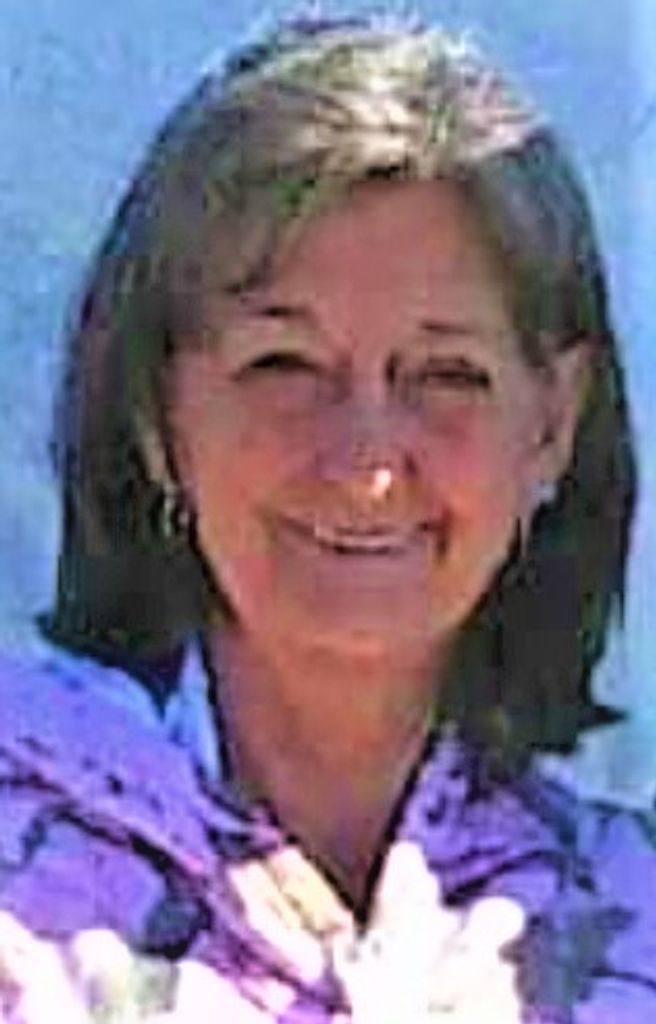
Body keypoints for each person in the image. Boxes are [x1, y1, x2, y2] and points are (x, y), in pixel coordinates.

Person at [0, 13, 653, 1022]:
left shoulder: (627, 920)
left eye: (446, 374)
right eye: (285, 365)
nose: (365, 464)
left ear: (552, 424)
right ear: (156, 409)